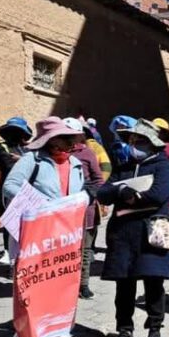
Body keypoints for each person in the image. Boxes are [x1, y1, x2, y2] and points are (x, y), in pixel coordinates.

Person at [2, 116, 87, 337]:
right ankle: (30, 332)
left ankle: (61, 332)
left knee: (63, 282)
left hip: (65, 235)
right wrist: (43, 204)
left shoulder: (75, 163)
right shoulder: (32, 160)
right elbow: (10, 185)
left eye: (71, 139)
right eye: (65, 138)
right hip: (36, 236)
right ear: (50, 140)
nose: (70, 143)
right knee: (34, 284)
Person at [97, 119, 169, 337]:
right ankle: (124, 331)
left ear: (152, 144)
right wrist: (121, 190)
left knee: (154, 284)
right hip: (123, 235)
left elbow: (159, 194)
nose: (134, 145)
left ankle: (155, 330)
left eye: (139, 141)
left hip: (151, 234)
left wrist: (135, 197)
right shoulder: (123, 167)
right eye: (131, 141)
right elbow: (103, 192)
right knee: (124, 286)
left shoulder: (163, 166)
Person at [64, 117, 105, 300]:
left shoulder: (87, 153)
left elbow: (98, 180)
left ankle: (83, 284)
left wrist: (87, 195)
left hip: (85, 210)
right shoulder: (53, 154)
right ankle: (65, 284)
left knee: (85, 249)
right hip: (61, 212)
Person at [0, 117, 32, 264]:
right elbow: (7, 165)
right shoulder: (1, 147)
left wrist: (21, 159)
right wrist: (25, 160)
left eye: (17, 131)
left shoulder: (28, 148)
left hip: (29, 189)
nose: (14, 134)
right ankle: (8, 251)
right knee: (10, 221)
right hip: (10, 189)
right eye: (11, 131)